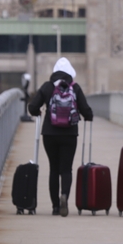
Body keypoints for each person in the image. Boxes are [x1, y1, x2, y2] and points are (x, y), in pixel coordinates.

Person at [28, 57, 93, 217]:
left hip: (49, 133)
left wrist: (38, 112)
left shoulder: (48, 86)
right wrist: (88, 116)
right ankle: (64, 195)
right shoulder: (75, 88)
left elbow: (32, 107)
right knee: (66, 169)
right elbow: (86, 110)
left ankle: (55, 207)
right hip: (70, 134)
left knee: (53, 169)